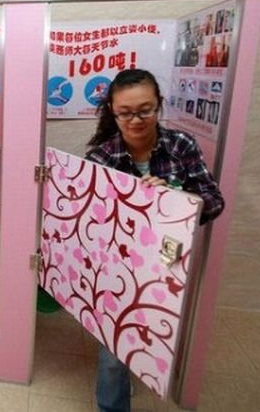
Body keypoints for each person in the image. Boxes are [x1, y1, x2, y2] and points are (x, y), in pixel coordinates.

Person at [85, 68, 224, 412]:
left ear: (159, 105)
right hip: (118, 268)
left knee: (154, 338)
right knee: (114, 349)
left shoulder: (181, 146)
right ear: (113, 112)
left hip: (168, 266)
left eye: (145, 110)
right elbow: (88, 221)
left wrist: (177, 198)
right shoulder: (102, 158)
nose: (136, 120)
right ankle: (111, 405)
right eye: (125, 112)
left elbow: (214, 199)